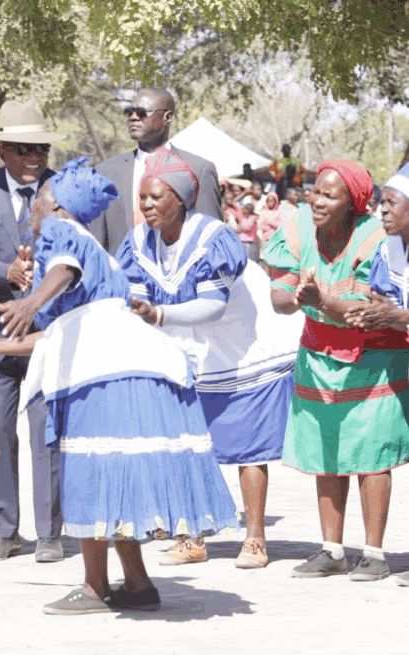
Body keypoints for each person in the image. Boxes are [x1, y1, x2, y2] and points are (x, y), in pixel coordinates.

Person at [0, 157, 238, 614]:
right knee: (114, 474)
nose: (33, 208)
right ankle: (138, 583)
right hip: (130, 367)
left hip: (105, 376)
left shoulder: (61, 234)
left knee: (90, 473)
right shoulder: (97, 254)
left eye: (41, 201)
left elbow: (61, 269)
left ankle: (93, 586)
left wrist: (31, 299)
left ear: (58, 206)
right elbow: (58, 334)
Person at [117, 149, 301, 569]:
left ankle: (255, 538)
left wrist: (159, 315)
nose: (145, 205)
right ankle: (191, 536)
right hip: (185, 345)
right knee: (185, 442)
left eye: (154, 197)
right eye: (141, 197)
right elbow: (137, 296)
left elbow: (213, 306)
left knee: (246, 444)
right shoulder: (139, 241)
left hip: (239, 343)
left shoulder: (213, 237)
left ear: (180, 200)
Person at [264, 159, 409, 581]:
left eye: (330, 195)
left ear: (354, 204)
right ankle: (331, 550)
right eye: (315, 191)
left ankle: (375, 554)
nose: (317, 200)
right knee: (325, 448)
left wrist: (319, 299)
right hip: (318, 353)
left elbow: (366, 311)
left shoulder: (376, 238)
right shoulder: (294, 229)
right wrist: (300, 297)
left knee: (371, 452)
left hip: (375, 357)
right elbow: (279, 295)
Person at [0, 98, 65, 562]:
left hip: (49, 330)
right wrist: (9, 273)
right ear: (1, 150)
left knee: (47, 431)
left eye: (40, 149)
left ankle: (51, 533)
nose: (34, 159)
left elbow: (78, 251)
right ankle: (3, 530)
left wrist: (39, 280)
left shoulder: (62, 192)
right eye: (23, 149)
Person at [347, 162, 409, 587]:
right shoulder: (388, 251)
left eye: (391, 203)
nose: (381, 211)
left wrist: (397, 315)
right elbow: (382, 300)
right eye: (381, 202)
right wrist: (368, 313)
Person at [89, 87, 223, 255]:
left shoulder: (199, 170)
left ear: (167, 117)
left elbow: (211, 237)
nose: (133, 117)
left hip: (178, 276)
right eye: (129, 111)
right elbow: (96, 240)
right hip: (121, 277)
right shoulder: (105, 172)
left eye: (142, 112)